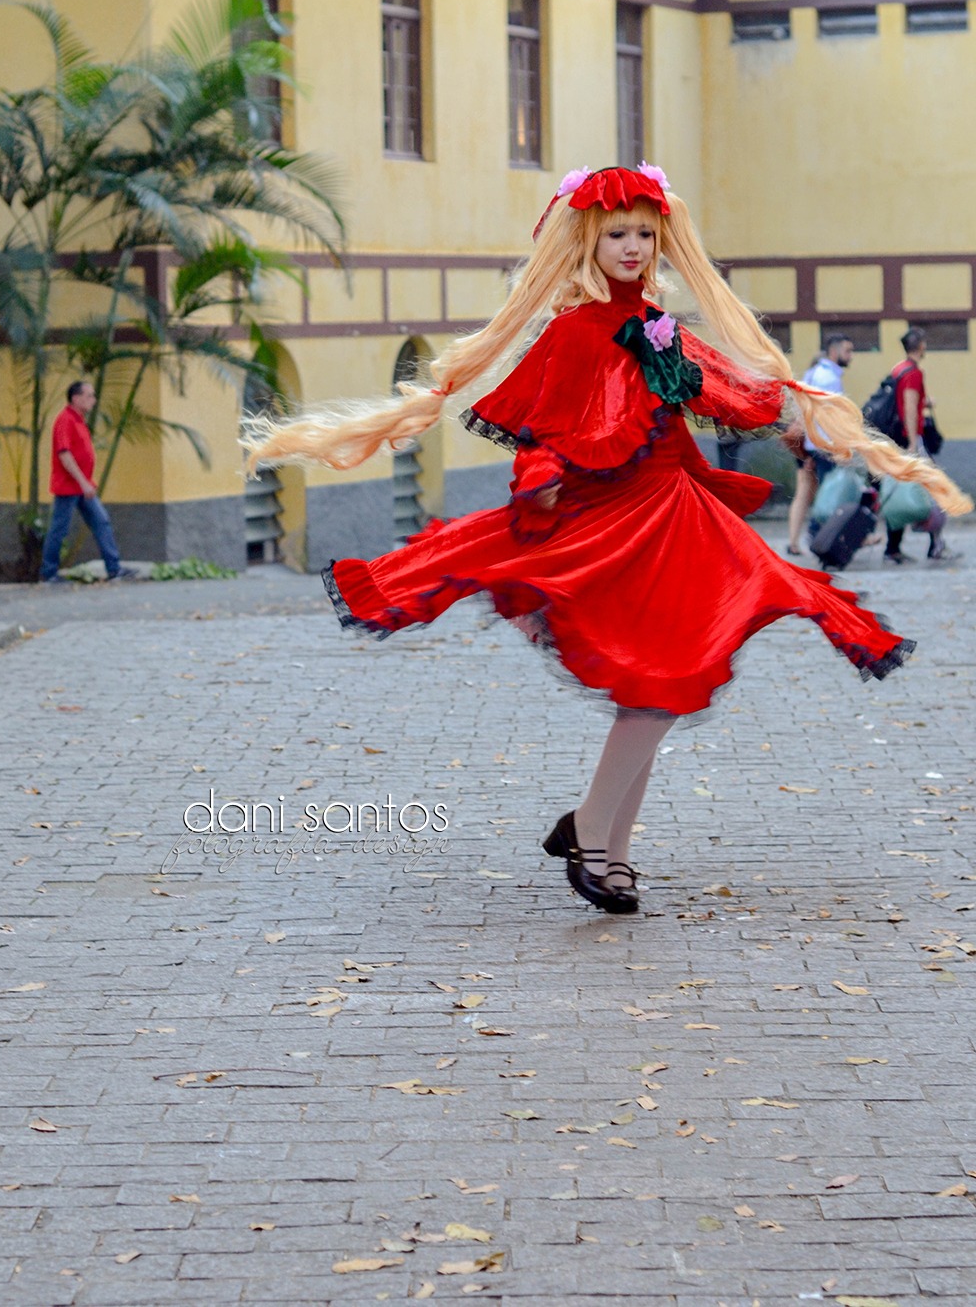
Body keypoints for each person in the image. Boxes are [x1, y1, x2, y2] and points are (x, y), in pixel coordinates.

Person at [244, 165, 971, 915]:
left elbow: (708, 388)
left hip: (676, 520)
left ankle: (611, 850)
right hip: (614, 527)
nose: (632, 248)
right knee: (653, 689)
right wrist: (540, 500)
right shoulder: (575, 332)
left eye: (644, 235)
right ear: (587, 241)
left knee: (662, 686)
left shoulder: (658, 324)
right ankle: (592, 831)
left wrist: (790, 416)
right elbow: (551, 429)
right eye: (617, 234)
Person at [40, 381, 130, 584]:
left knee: (101, 522)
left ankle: (114, 569)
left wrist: (85, 483)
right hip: (69, 486)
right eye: (89, 396)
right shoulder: (65, 420)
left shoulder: (78, 420)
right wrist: (83, 482)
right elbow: (64, 454)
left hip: (82, 486)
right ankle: (48, 574)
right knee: (59, 529)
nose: (93, 400)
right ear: (76, 398)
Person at [883, 327, 957, 564]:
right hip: (911, 441)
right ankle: (935, 546)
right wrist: (915, 444)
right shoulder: (914, 373)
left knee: (900, 492)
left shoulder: (898, 369)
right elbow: (908, 405)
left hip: (896, 440)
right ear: (921, 346)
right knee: (936, 490)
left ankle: (894, 547)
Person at [785, 333, 854, 555]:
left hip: (811, 443)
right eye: (847, 351)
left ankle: (800, 540)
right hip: (823, 445)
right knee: (829, 493)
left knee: (809, 492)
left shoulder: (812, 373)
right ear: (834, 352)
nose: (850, 356)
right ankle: (818, 536)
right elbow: (831, 418)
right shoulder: (829, 379)